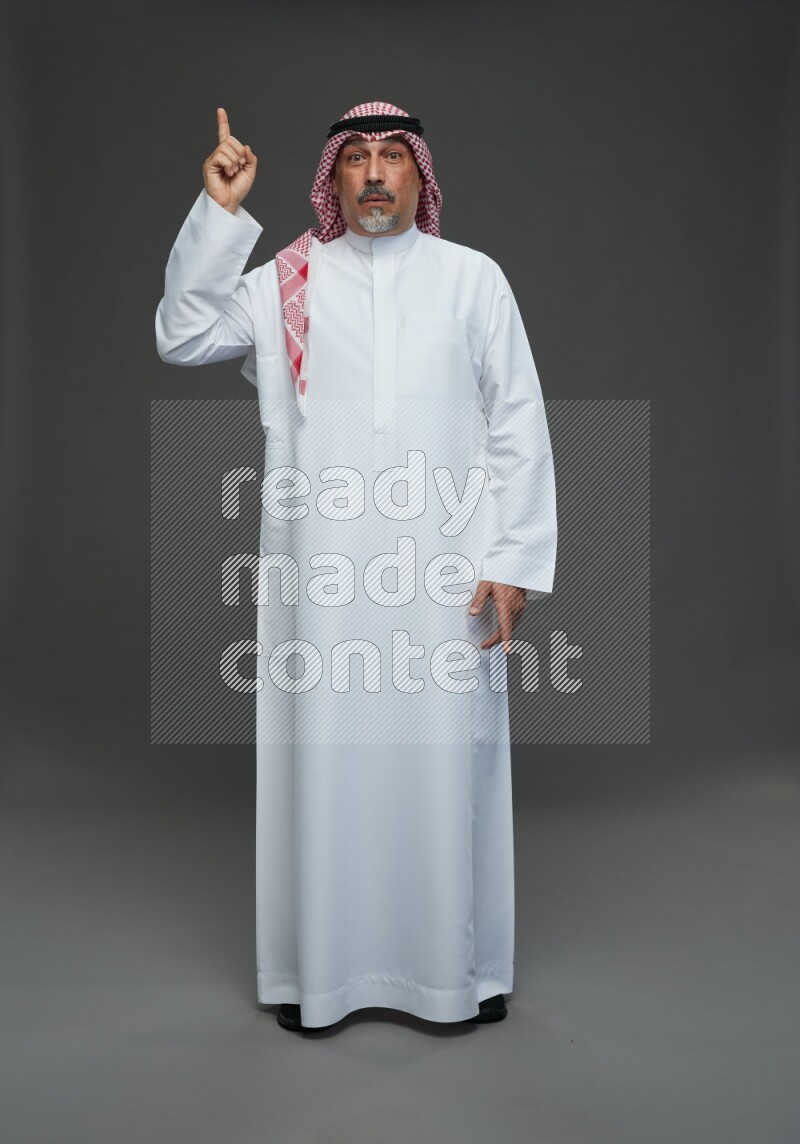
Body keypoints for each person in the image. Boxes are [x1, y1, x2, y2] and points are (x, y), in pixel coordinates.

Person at [155, 101, 558, 1032]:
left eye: (392, 158)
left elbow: (518, 424)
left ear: (421, 174)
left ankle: (462, 972)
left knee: (451, 761)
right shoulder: (291, 280)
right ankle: (321, 979)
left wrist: (514, 561)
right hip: (322, 584)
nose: (375, 174)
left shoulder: (472, 281)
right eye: (357, 160)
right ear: (332, 179)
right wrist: (218, 214)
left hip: (447, 580)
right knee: (323, 760)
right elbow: (182, 335)